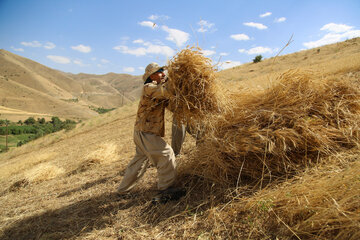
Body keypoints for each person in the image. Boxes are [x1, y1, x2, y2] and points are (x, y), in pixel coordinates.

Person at [117, 62, 185, 203]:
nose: (163, 74)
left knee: (139, 161)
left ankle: (123, 190)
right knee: (166, 154)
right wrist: (176, 80)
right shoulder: (149, 87)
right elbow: (167, 92)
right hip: (145, 133)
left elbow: (170, 102)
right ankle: (166, 190)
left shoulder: (156, 90)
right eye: (160, 71)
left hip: (142, 132)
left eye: (163, 71)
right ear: (151, 75)